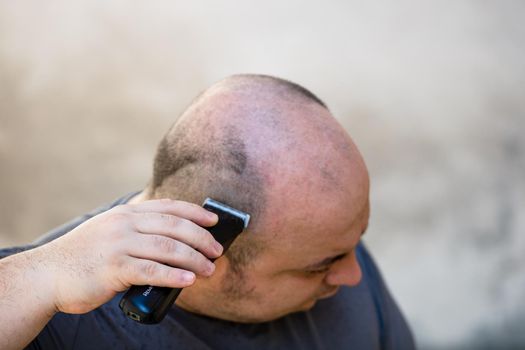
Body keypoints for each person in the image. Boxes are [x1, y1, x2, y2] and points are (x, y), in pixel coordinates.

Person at [0, 74, 415, 349]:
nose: (354, 274)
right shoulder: (47, 318)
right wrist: (36, 276)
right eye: (319, 266)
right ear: (208, 249)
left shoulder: (327, 244)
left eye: (356, 240)